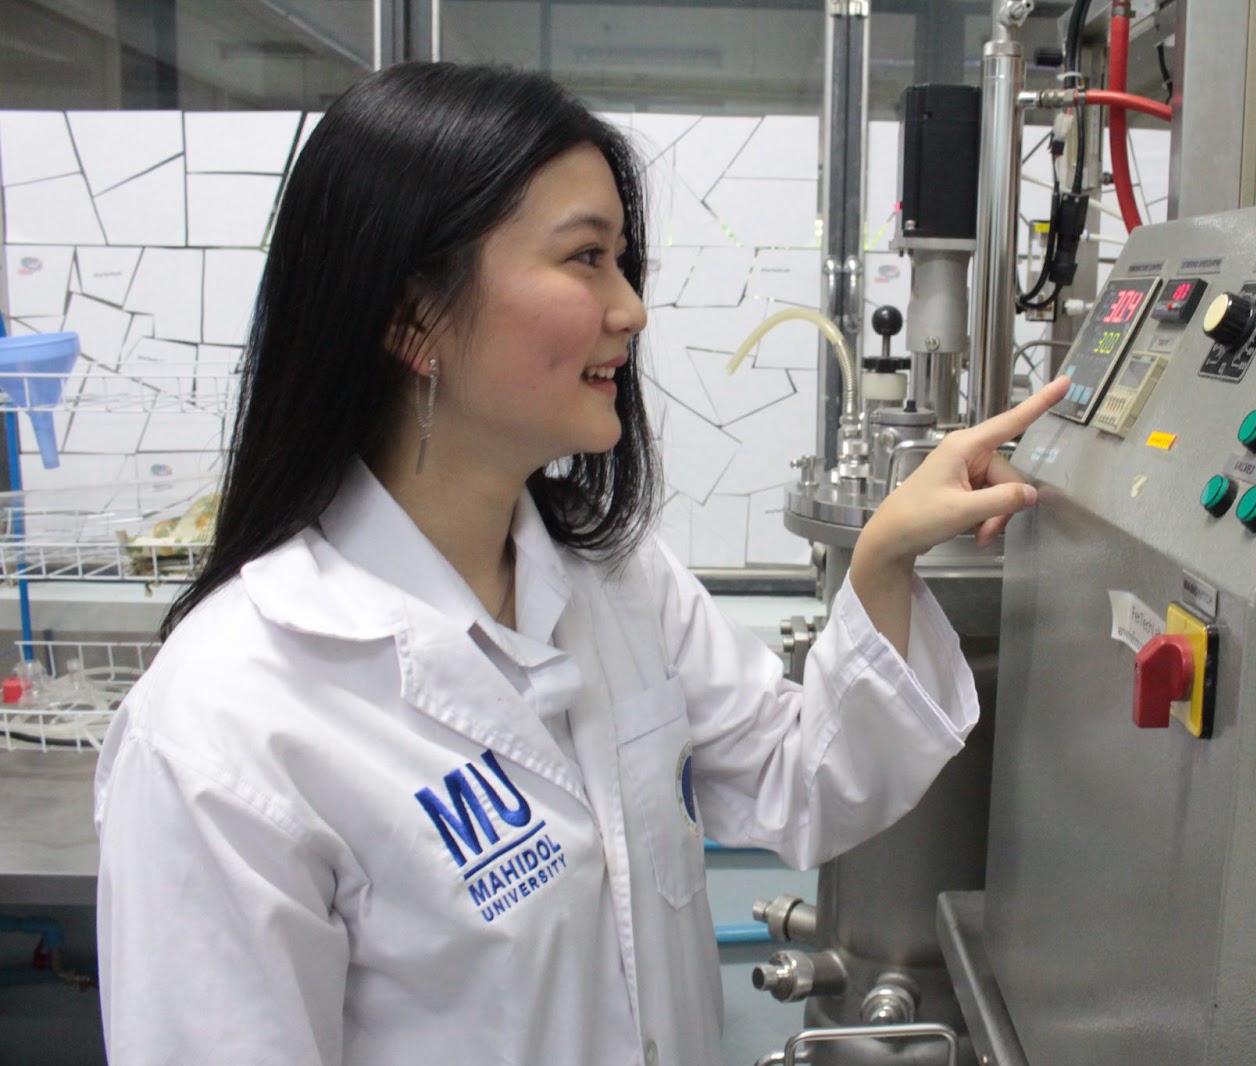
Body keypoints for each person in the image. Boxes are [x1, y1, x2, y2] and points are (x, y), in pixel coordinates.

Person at [92, 63, 1070, 1066]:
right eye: (586, 258)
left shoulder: (615, 579)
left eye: (623, 261)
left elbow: (805, 781)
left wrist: (884, 559)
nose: (630, 308)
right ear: (411, 316)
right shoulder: (229, 723)